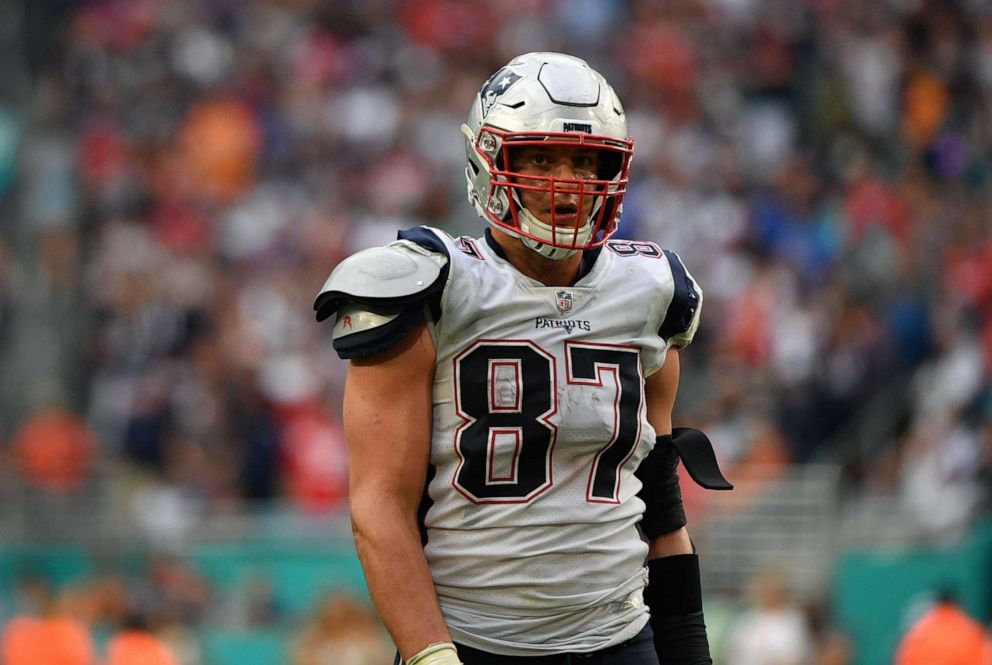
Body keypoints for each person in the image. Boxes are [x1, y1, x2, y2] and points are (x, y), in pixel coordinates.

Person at [314, 52, 730, 665]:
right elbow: (379, 507)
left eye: (587, 161)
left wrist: (688, 648)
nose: (567, 181)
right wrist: (431, 655)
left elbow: (659, 497)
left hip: (619, 635)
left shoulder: (650, 290)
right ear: (490, 161)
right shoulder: (431, 286)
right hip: (475, 640)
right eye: (540, 158)